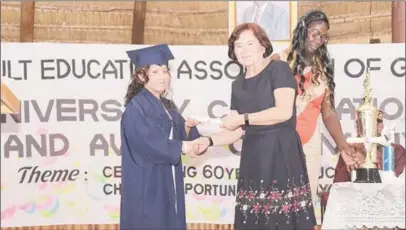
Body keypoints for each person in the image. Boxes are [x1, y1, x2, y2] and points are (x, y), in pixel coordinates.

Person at [195, 22, 316, 229]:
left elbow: (283, 112)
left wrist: (243, 118)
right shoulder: (238, 84)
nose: (244, 50)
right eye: (238, 45)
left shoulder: (278, 69)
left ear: (263, 46)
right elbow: (234, 132)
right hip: (253, 156)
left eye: (250, 43)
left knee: (282, 220)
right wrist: (208, 140)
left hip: (280, 152)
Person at [271, 10, 356, 220]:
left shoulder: (323, 68)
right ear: (302, 29)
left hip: (310, 143)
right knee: (277, 202)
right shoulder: (279, 61)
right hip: (279, 141)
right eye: (314, 33)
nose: (319, 40)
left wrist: (343, 146)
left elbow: (328, 112)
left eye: (324, 36)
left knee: (302, 204)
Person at [119, 44, 202, 230]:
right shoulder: (136, 107)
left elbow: (178, 135)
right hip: (148, 180)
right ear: (141, 76)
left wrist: (188, 129)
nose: (162, 76)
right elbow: (148, 142)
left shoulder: (167, 105)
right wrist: (184, 147)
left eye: (165, 71)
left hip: (167, 178)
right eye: (155, 71)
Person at [334, 110, 406, 182]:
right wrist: (354, 160)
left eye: (377, 124)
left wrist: (370, 158)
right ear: (358, 128)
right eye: (366, 124)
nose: (373, 128)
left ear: (381, 127)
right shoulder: (350, 150)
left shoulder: (396, 150)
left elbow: (395, 183)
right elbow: (338, 182)